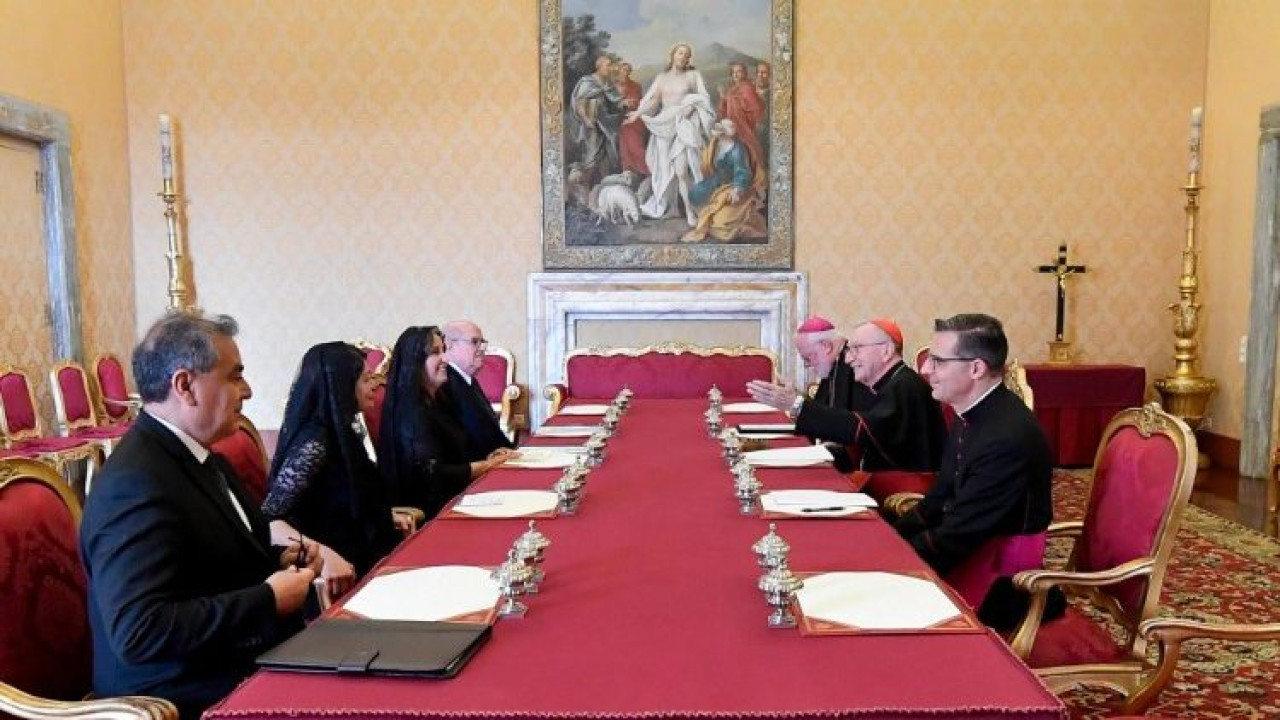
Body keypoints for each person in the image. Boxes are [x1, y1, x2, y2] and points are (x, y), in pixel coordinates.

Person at [80, 312, 319, 719]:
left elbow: (209, 562)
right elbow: (141, 631)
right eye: (234, 376)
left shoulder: (203, 457)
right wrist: (267, 600)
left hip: (227, 660)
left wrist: (279, 560)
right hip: (177, 695)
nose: (247, 390)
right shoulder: (134, 484)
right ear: (185, 385)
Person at [893, 313, 1052, 581]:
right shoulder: (970, 413)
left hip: (1000, 579)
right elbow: (938, 499)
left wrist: (889, 558)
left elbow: (957, 537)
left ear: (976, 368)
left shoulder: (1007, 436)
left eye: (938, 361)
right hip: (967, 550)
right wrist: (891, 535)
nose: (924, 370)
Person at [261, 342, 403, 591]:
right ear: (342, 386)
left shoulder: (342, 431)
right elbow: (269, 521)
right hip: (339, 576)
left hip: (367, 560)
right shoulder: (314, 443)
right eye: (366, 379)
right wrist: (322, 554)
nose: (374, 386)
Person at [747, 318, 946, 473]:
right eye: (849, 350)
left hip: (903, 484)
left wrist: (797, 404)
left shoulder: (905, 386)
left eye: (856, 349)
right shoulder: (889, 383)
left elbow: (861, 429)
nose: (848, 358)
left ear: (886, 350)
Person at [378, 326, 515, 520]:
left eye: (443, 350)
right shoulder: (412, 412)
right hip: (434, 512)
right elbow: (434, 475)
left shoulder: (438, 400)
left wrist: (489, 457)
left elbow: (455, 453)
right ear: (415, 362)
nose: (445, 359)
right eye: (435, 353)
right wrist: (488, 465)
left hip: (459, 496)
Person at [623, 42, 715, 226]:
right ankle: (672, 208)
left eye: (687, 55)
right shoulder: (662, 78)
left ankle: (690, 211)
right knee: (666, 170)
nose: (683, 57)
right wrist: (637, 115)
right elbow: (653, 101)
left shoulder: (693, 75)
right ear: (673, 55)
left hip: (683, 124)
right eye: (680, 53)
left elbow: (703, 99)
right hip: (664, 126)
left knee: (681, 171)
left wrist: (691, 105)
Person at [679, 118, 767, 242]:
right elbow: (706, 158)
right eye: (728, 127)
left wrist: (737, 190)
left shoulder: (737, 150)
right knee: (695, 195)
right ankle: (708, 212)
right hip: (716, 182)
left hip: (732, 187)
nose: (732, 129)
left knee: (721, 223)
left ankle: (721, 216)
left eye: (732, 127)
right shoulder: (716, 143)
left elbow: (743, 173)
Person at [442, 319, 516, 461]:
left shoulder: (468, 380)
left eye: (482, 342)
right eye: (474, 342)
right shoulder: (446, 384)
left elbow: (489, 431)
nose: (482, 348)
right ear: (449, 345)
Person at [570, 55, 627, 185]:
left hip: (606, 125)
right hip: (592, 126)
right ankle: (584, 185)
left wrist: (623, 103)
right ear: (599, 66)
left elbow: (614, 102)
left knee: (606, 156)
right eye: (608, 65)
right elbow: (580, 104)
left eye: (611, 65)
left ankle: (604, 185)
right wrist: (586, 120)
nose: (611, 68)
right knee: (592, 157)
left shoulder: (608, 83)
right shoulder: (587, 81)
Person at [717, 62, 766, 175]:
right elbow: (723, 110)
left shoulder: (747, 88)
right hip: (731, 127)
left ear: (745, 73)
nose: (735, 75)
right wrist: (723, 98)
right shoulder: (732, 89)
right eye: (733, 72)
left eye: (738, 72)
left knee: (747, 153)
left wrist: (730, 98)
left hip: (744, 127)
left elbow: (757, 107)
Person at [614, 61, 649, 178]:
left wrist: (631, 103)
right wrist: (621, 103)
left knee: (637, 148)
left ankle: (646, 171)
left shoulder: (636, 85)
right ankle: (628, 172)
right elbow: (611, 104)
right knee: (625, 149)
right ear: (619, 70)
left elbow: (640, 102)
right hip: (620, 120)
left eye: (628, 71)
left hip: (634, 120)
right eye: (623, 70)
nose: (625, 72)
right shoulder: (613, 86)